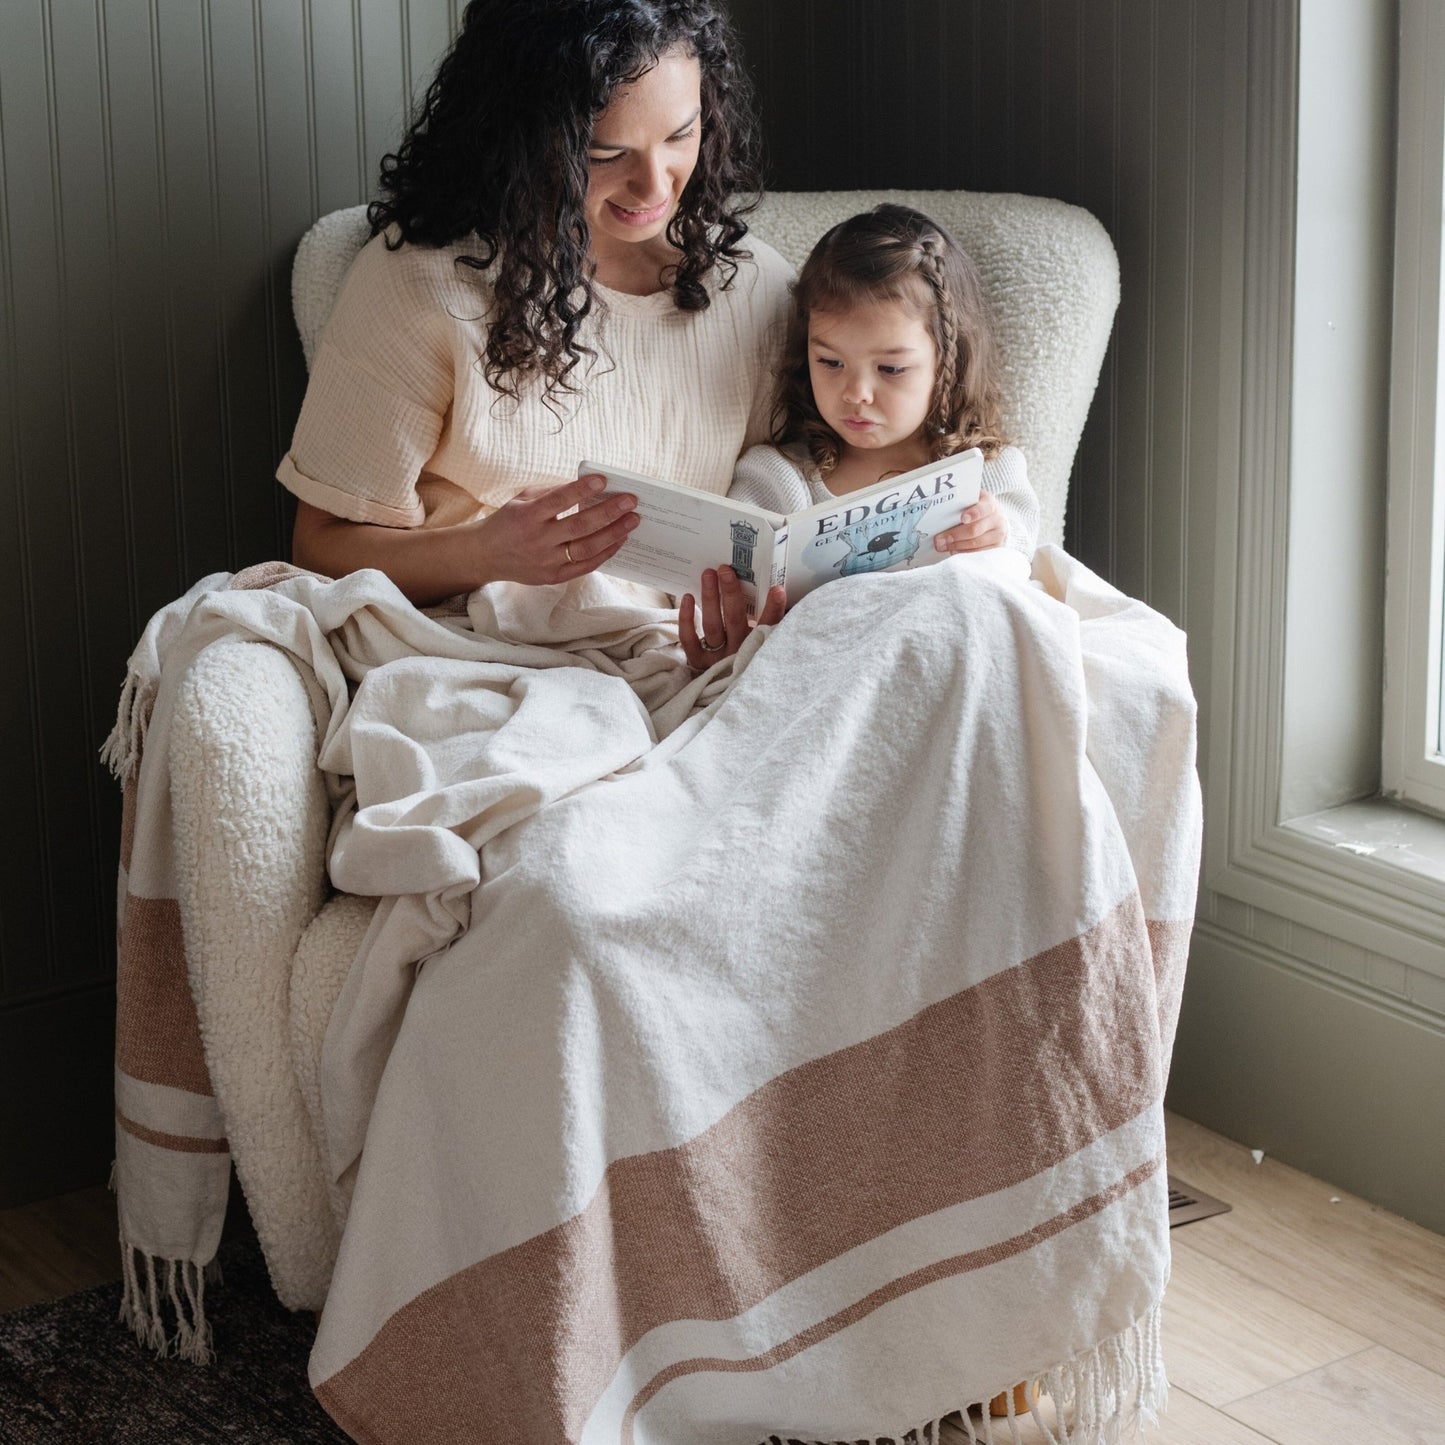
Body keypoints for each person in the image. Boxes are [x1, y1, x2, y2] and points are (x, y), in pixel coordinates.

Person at [279, 0, 793, 621]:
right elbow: (319, 547)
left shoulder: (752, 286)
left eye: (680, 135)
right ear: (525, 141)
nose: (656, 186)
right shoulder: (425, 285)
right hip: (480, 649)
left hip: (683, 657)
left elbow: (815, 483)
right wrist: (485, 553)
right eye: (606, 155)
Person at [678, 203, 1039, 671]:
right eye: (830, 362)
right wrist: (735, 640)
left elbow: (1020, 557)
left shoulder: (984, 470)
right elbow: (742, 607)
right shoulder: (780, 478)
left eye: (890, 369)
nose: (856, 394)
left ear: (947, 364)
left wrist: (997, 533)